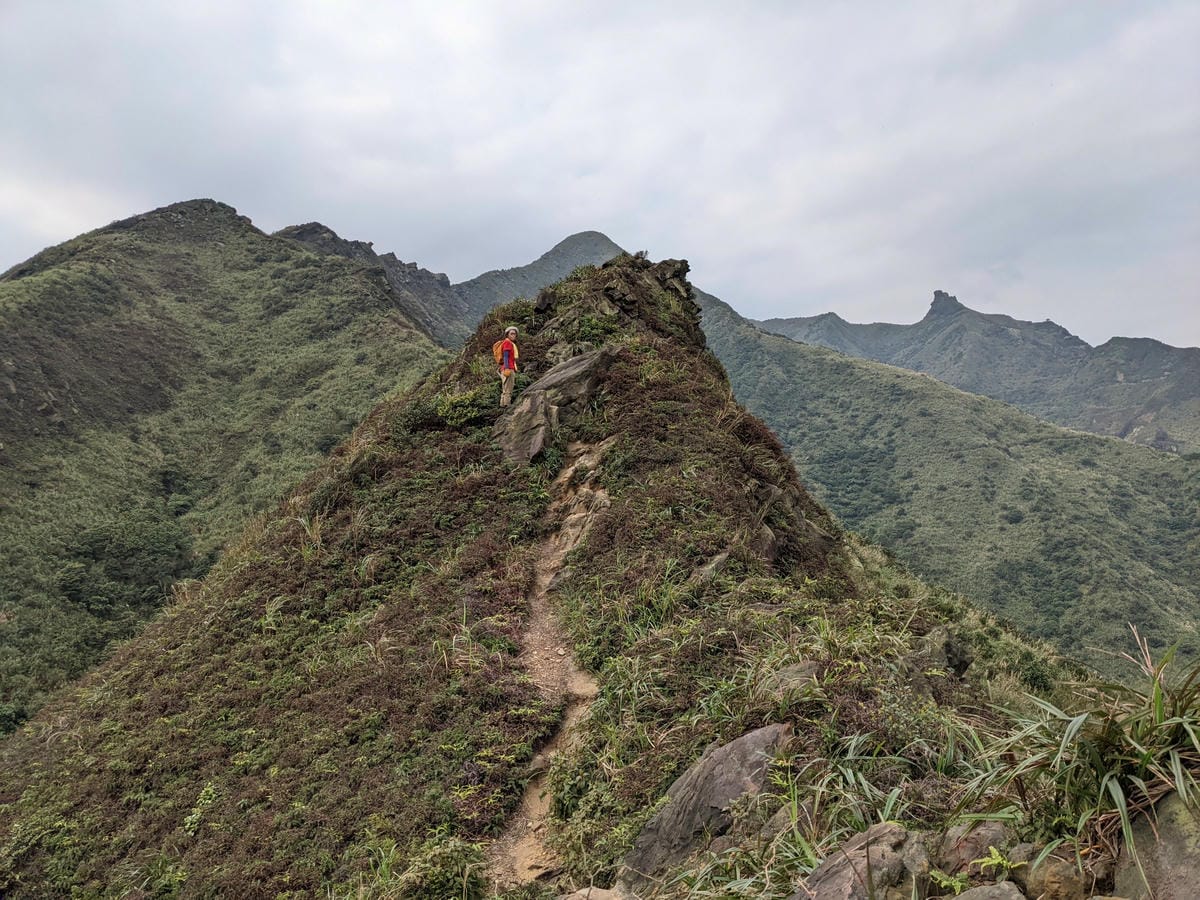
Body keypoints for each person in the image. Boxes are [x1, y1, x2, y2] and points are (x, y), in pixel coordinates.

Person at [495, 326, 519, 407]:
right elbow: (505, 355)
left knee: (505, 389)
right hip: (508, 368)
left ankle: (502, 406)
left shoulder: (507, 342)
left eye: (514, 334)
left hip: (505, 368)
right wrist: (507, 368)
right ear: (507, 335)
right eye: (511, 334)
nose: (513, 335)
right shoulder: (508, 343)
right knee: (508, 389)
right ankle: (507, 406)